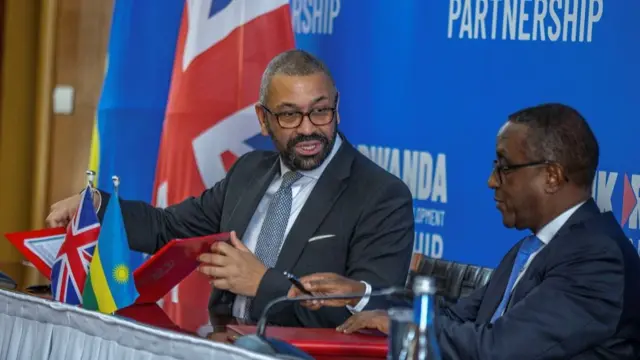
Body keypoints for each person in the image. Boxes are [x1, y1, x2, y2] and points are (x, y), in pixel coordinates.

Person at [45, 50, 415, 330]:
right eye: (289, 115)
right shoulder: (249, 171)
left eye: (320, 112)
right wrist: (97, 206)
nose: (308, 129)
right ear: (263, 119)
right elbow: (168, 228)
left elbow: (369, 314)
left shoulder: (380, 195)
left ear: (336, 108)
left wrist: (263, 283)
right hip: (221, 342)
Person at [289, 103, 640, 359]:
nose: (491, 181)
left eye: (504, 167)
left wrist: (402, 328)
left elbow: (501, 348)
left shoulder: (597, 257)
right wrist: (361, 296)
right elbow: (458, 316)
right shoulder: (534, 248)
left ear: (551, 176)